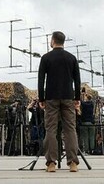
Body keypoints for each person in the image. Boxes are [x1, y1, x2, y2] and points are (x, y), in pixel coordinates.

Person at [37, 30, 81, 172]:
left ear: (53, 40)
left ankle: (51, 163)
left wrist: (41, 98)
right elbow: (77, 80)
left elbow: (41, 79)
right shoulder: (71, 58)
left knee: (51, 129)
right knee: (70, 129)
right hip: (68, 96)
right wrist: (77, 98)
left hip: (51, 97)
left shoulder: (46, 58)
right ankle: (73, 162)